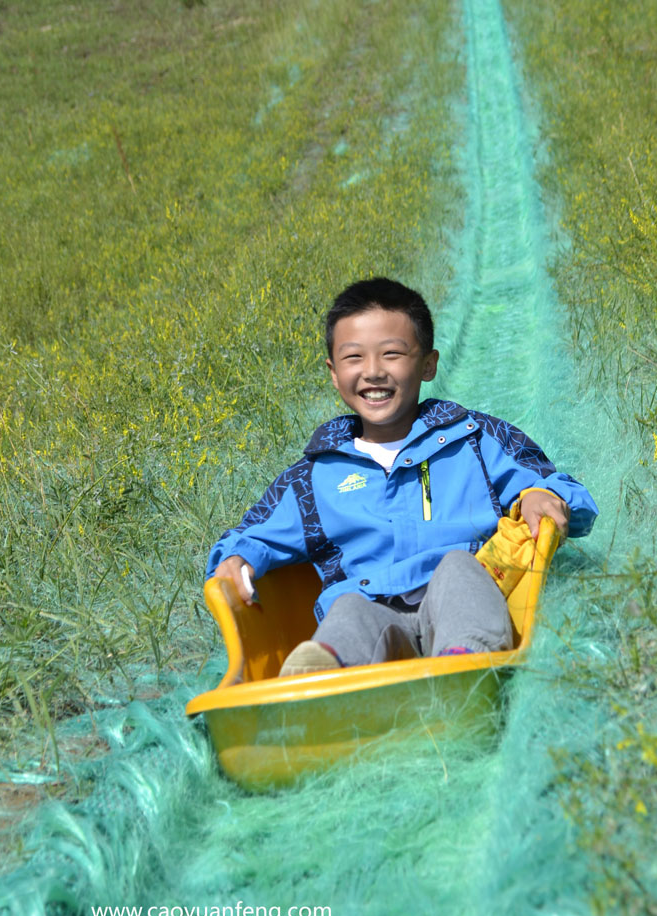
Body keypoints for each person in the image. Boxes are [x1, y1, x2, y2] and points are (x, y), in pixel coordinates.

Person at [206, 278, 598, 675]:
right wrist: (239, 557)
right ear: (333, 372)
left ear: (428, 364)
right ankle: (318, 679)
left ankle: (463, 669)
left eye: (392, 354)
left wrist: (538, 495)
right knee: (349, 610)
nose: (373, 372)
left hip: (461, 606)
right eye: (354, 358)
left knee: (459, 569)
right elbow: (248, 535)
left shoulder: (474, 440)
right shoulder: (313, 476)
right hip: (373, 612)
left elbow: (564, 490)